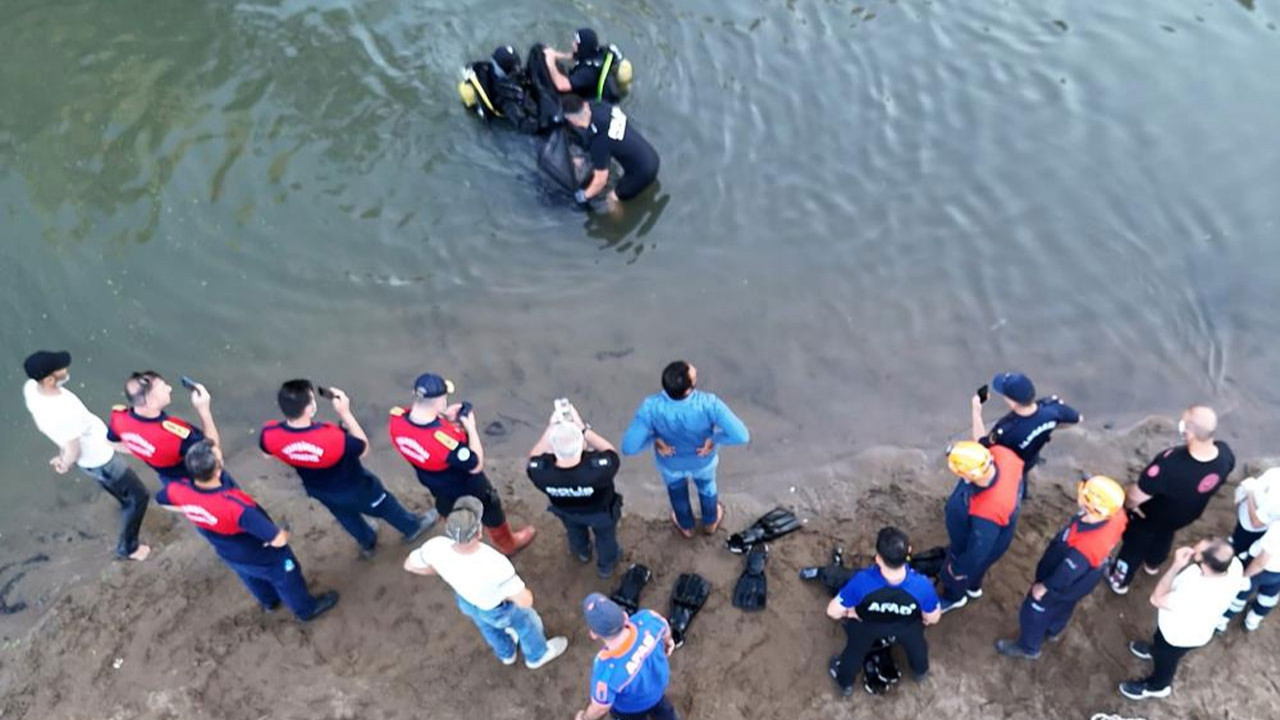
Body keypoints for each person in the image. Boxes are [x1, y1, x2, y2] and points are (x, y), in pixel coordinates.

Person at [158, 440, 338, 621]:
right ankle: (306, 610)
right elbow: (278, 540)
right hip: (258, 551)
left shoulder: (177, 489)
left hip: (226, 550)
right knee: (287, 577)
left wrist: (190, 507)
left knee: (250, 576)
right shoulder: (236, 506)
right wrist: (285, 531)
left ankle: (269, 602)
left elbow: (162, 500)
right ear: (217, 470)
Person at [260, 380, 434, 557]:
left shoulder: (269, 434)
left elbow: (267, 454)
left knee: (346, 516)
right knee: (385, 505)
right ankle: (412, 527)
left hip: (319, 489)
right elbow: (364, 448)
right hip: (355, 486)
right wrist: (345, 413)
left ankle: (367, 543)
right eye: (312, 399)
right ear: (309, 409)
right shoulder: (333, 439)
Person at [403, 496, 568, 669]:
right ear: (479, 532)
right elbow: (525, 601)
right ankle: (537, 656)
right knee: (527, 623)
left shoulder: (435, 546)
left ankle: (507, 653)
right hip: (497, 608)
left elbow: (410, 565)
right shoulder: (494, 562)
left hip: (467, 602)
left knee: (487, 628)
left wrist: (439, 569)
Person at [21, 350, 151, 561]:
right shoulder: (64, 409)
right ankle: (129, 548)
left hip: (90, 460)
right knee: (140, 497)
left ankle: (123, 504)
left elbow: (62, 436)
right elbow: (75, 449)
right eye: (60, 368)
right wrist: (65, 462)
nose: (66, 368)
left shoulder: (32, 391)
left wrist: (63, 454)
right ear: (49, 379)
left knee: (120, 491)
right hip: (102, 458)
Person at [387, 373, 535, 555]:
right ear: (439, 401)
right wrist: (470, 426)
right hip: (463, 482)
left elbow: (422, 433)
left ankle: (458, 534)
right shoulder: (442, 441)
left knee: (447, 507)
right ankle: (507, 544)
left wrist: (445, 419)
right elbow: (475, 464)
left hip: (431, 479)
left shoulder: (397, 419)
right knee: (490, 506)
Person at [994, 475, 1127, 659]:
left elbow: (1064, 575)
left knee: (1034, 608)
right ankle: (1053, 630)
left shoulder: (1085, 548)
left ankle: (1028, 647)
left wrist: (1044, 587)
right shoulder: (1116, 513)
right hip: (1087, 575)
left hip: (1067, 579)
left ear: (1093, 507)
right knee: (1065, 605)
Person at [1107, 406, 1234, 595]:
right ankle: (1153, 564)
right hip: (1185, 516)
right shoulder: (1225, 455)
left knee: (1133, 546)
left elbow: (1136, 495)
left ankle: (1119, 580)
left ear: (1189, 432)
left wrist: (1127, 506)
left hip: (1150, 516)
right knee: (1165, 535)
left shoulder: (1170, 464)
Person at [621, 361, 749, 538]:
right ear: (688, 389)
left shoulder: (650, 407)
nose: (695, 368)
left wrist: (654, 439)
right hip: (702, 460)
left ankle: (686, 526)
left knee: (677, 493)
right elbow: (742, 436)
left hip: (670, 463)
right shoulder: (709, 404)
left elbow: (629, 447)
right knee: (707, 488)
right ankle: (710, 523)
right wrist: (714, 439)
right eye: (694, 374)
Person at [1119, 538, 1242, 700]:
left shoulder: (1195, 594)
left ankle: (1158, 686)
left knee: (1166, 661)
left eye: (1195, 553)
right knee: (1159, 644)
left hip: (1178, 636)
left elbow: (1156, 599)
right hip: (1191, 627)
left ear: (1204, 566)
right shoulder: (1234, 566)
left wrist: (1176, 565)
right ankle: (1154, 651)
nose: (1192, 550)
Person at [826, 527, 941, 697]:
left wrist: (851, 613)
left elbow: (833, 612)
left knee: (854, 652)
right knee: (917, 646)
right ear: (909, 552)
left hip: (867, 626)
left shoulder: (861, 583)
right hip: (906, 626)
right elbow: (933, 618)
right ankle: (920, 671)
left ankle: (845, 684)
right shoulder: (922, 586)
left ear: (878, 558)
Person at [526, 401, 623, 578]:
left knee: (575, 532)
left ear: (553, 449)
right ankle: (606, 566)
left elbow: (534, 456)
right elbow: (611, 452)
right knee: (606, 538)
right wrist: (583, 429)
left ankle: (582, 553)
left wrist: (551, 429)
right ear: (582, 445)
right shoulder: (598, 470)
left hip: (566, 511)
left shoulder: (541, 473)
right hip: (600, 512)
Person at [937, 441, 1025, 612]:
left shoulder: (987, 510)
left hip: (980, 543)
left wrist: (957, 569)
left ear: (969, 476)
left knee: (961, 571)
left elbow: (978, 550)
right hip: (1000, 533)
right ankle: (974, 588)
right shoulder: (1003, 454)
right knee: (978, 569)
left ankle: (954, 598)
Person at [575, 592, 678, 720]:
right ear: (625, 616)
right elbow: (664, 625)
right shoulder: (648, 620)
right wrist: (668, 642)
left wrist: (584, 717)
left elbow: (600, 707)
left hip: (630, 710)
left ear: (594, 634)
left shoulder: (606, 672)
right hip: (658, 691)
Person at [108, 371, 220, 485]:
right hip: (199, 477)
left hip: (169, 480)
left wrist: (143, 451)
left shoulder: (118, 418)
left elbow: (112, 443)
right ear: (150, 402)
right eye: (163, 388)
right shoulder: (176, 436)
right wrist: (204, 410)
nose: (169, 388)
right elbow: (213, 450)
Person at [971, 372, 1081, 487]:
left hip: (1011, 463)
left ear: (1012, 402)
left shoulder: (1006, 429)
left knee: (1012, 481)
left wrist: (976, 411)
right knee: (1024, 473)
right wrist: (1050, 425)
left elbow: (980, 447)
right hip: (1031, 456)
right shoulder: (1053, 407)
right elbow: (1077, 419)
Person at [561, 94, 659, 207]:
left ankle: (619, 223)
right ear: (584, 104)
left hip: (643, 173)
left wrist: (583, 196)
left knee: (611, 198)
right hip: (652, 156)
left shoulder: (599, 142)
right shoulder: (600, 106)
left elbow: (600, 180)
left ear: (573, 121)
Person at [1220, 516, 1280, 633]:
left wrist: (1244, 577)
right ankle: (1252, 621)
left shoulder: (1278, 529)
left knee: (1241, 594)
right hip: (1277, 575)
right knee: (1268, 597)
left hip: (1259, 570)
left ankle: (1222, 622)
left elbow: (1261, 562)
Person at [543, 28, 628, 103]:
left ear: (583, 46)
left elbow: (562, 86)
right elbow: (573, 56)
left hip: (591, 100)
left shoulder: (588, 72)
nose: (573, 44)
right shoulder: (596, 52)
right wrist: (554, 54)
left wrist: (550, 63)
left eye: (576, 43)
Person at [1229, 467, 1280, 561]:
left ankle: (1238, 556)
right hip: (1245, 516)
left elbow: (1256, 523)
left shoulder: (1276, 501)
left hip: (1251, 528)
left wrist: (1249, 494)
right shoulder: (1275, 472)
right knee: (1237, 534)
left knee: (1239, 548)